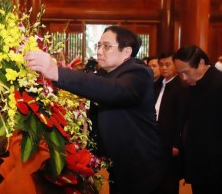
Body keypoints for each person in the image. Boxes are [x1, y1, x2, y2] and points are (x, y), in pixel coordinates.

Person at [25, 25, 164, 194]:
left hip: (141, 165)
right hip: (118, 166)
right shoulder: (105, 74)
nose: (99, 51)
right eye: (99, 45)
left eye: (106, 46)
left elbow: (113, 91)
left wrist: (56, 73)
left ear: (126, 52)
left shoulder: (138, 73)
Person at [173, 45, 222, 194]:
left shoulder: (219, 84)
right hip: (199, 163)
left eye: (186, 72)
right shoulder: (193, 86)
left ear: (201, 63)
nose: (184, 78)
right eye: (180, 74)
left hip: (216, 166)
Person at [155, 52, 189, 194]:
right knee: (156, 177)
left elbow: (182, 118)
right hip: (155, 138)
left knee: (169, 180)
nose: (164, 68)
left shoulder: (181, 87)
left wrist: (177, 143)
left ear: (176, 65)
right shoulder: (157, 84)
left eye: (167, 64)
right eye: (161, 65)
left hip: (170, 140)